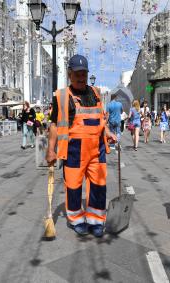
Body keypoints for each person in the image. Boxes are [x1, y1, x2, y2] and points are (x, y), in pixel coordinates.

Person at [45, 54, 117, 238]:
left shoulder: (95, 93)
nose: (81, 77)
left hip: (97, 149)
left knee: (99, 185)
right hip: (74, 150)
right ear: (69, 74)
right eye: (77, 73)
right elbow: (54, 125)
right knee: (74, 187)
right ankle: (76, 219)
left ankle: (96, 220)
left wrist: (107, 132)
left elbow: (101, 120)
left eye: (84, 73)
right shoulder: (61, 96)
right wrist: (50, 150)